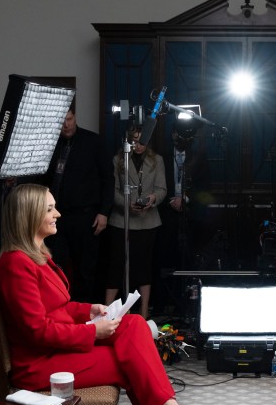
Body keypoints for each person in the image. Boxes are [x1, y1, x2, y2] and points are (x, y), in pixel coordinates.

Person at [0, 183, 213, 405]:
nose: (58, 214)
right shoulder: (15, 264)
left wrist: (89, 310)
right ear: (29, 215)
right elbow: (36, 331)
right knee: (132, 361)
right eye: (50, 209)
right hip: (39, 366)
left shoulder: (36, 255)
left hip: (56, 354)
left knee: (134, 323)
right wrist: (92, 332)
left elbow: (58, 307)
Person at [43, 107, 113, 304]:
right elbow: (42, 177)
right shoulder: (50, 143)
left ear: (75, 117)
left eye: (69, 119)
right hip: (55, 216)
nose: (66, 124)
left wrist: (104, 212)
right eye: (62, 121)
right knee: (55, 266)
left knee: (85, 268)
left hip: (86, 216)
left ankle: (85, 311)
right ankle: (59, 307)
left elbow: (108, 179)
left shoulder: (93, 141)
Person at [106, 128, 166, 317]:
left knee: (144, 266)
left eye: (142, 142)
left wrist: (152, 199)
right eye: (135, 141)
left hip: (148, 221)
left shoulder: (157, 160)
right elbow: (112, 190)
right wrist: (126, 204)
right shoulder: (118, 160)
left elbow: (162, 189)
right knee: (116, 265)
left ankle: (144, 309)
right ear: (128, 141)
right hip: (121, 220)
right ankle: (107, 311)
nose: (139, 146)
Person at [156, 116, 211, 312]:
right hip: (165, 213)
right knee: (163, 257)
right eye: (178, 135)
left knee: (188, 258)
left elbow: (205, 187)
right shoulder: (161, 156)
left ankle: (186, 304)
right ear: (173, 134)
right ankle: (162, 302)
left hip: (190, 216)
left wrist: (185, 198)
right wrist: (169, 200)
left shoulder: (198, 157)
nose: (181, 140)